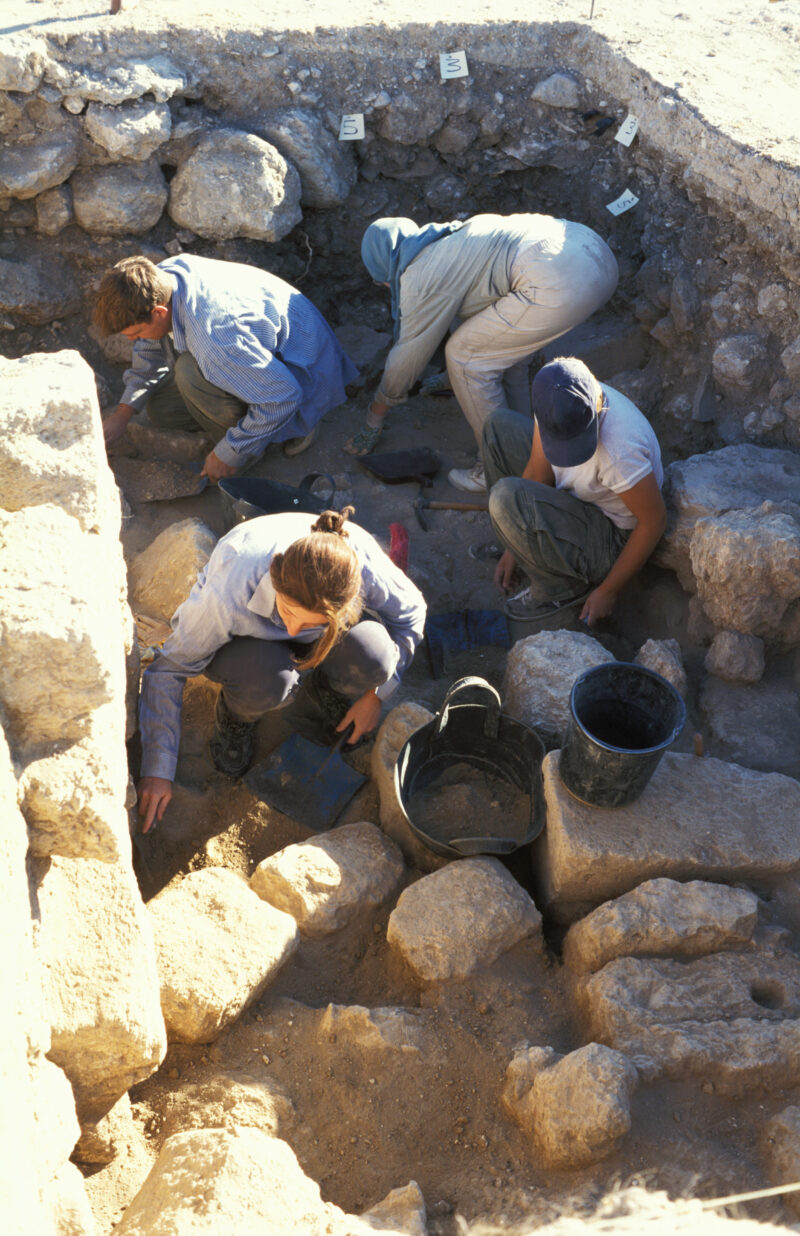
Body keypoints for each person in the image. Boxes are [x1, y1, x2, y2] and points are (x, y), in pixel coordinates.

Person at [137, 507, 426, 833]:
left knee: (376, 659)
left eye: (308, 621)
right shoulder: (231, 589)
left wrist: (376, 694)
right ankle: (236, 714)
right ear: (275, 578)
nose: (292, 628)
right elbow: (168, 670)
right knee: (268, 681)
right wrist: (157, 769)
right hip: (249, 650)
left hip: (325, 640)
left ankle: (329, 687)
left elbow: (413, 613)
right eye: (287, 611)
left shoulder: (360, 566)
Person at [348, 213, 618, 494]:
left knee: (465, 360)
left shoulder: (419, 273)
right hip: (593, 252)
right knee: (505, 359)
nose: (388, 288)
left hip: (559, 280)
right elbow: (476, 318)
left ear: (385, 267)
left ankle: (496, 466)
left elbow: (408, 356)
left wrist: (375, 414)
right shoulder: (451, 237)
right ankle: (529, 453)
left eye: (383, 283)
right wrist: (446, 380)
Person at [94, 254, 358, 481]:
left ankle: (263, 444)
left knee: (188, 372)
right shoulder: (160, 280)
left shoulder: (216, 339)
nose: (132, 341)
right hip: (259, 354)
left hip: (304, 377)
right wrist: (121, 416)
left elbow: (283, 396)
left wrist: (229, 453)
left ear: (159, 313)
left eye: (137, 333)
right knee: (162, 409)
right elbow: (148, 354)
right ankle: (243, 428)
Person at [481, 357, 666, 628]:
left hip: (613, 536)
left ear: (595, 407)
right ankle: (531, 548)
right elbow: (536, 471)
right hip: (581, 497)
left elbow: (654, 522)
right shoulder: (554, 398)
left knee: (504, 498)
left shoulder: (620, 451)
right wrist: (512, 541)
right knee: (497, 428)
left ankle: (560, 588)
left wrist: (608, 590)